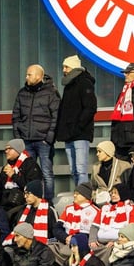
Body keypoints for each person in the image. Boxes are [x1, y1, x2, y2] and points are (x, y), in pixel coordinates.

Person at [12, 64, 60, 200]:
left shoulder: (51, 93)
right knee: (28, 173)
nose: (26, 77)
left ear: (39, 76)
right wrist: (18, 138)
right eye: (26, 74)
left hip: (44, 141)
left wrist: (49, 138)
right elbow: (15, 116)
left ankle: (48, 203)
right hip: (26, 141)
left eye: (29, 74)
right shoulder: (22, 93)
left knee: (46, 173)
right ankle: (30, 201)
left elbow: (56, 116)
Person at [59, 55, 98, 186]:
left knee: (81, 169)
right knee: (74, 170)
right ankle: (79, 192)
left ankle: (83, 194)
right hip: (70, 133)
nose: (64, 70)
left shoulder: (84, 83)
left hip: (80, 134)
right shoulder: (69, 85)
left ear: (74, 67)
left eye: (66, 67)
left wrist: (79, 126)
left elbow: (90, 107)